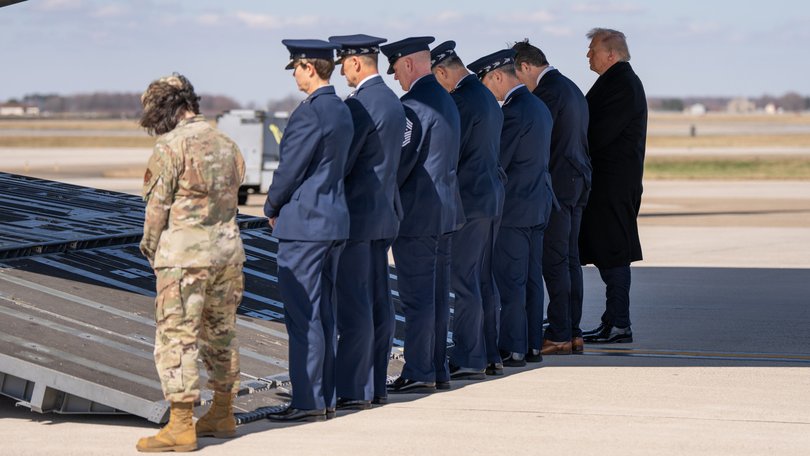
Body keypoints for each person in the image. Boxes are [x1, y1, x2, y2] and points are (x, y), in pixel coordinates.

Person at [136, 73, 245, 452]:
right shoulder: (228, 144)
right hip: (227, 255)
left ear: (167, 109)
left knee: (176, 336)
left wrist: (151, 250)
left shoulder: (170, 147)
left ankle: (181, 424)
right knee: (222, 333)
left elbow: (156, 209)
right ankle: (223, 412)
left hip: (183, 259)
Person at [263, 39, 352, 421]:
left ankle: (308, 401)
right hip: (333, 221)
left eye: (296, 69)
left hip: (305, 226)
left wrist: (271, 207)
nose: (295, 76)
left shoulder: (309, 113)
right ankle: (325, 397)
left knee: (303, 316)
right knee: (325, 315)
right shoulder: (341, 109)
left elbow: (289, 171)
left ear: (309, 68)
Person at [379, 36, 463, 393]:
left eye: (396, 70)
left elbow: (400, 162)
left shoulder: (412, 106)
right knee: (438, 296)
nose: (396, 78)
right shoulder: (445, 98)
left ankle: (418, 370)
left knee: (418, 299)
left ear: (409, 64)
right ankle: (436, 367)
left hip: (418, 217)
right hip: (445, 214)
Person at [328, 34, 407, 409]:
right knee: (379, 303)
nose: (341, 70)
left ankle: (354, 388)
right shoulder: (389, 100)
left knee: (356, 306)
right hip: (383, 214)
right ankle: (374, 384)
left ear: (356, 63)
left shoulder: (361, 105)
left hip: (358, 218)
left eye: (343, 62)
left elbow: (345, 162)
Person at [468, 49, 554, 368]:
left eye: (487, 83)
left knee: (511, 282)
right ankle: (531, 343)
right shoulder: (538, 106)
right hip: (537, 205)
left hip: (515, 209)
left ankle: (513, 347)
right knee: (531, 280)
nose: (487, 92)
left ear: (498, 76)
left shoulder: (515, 111)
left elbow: (499, 161)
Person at [512, 39, 592, 356]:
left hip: (559, 185)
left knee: (555, 261)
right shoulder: (570, 87)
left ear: (527, 67)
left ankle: (559, 332)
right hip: (577, 181)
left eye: (517, 76)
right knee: (570, 260)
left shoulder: (548, 93)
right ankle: (571, 330)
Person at [430, 40, 505, 378]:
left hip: (470, 201)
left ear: (443, 72)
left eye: (437, 80)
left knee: (464, 281)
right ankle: (489, 353)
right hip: (490, 198)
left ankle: (469, 357)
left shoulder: (461, 101)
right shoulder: (487, 96)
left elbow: (451, 152)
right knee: (483, 279)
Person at [579, 28, 647, 344]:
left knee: (614, 252)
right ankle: (612, 320)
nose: (588, 55)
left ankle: (620, 323)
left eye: (592, 50)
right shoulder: (617, 80)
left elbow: (598, 133)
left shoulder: (622, 84)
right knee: (608, 251)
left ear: (611, 54)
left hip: (614, 185)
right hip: (609, 184)